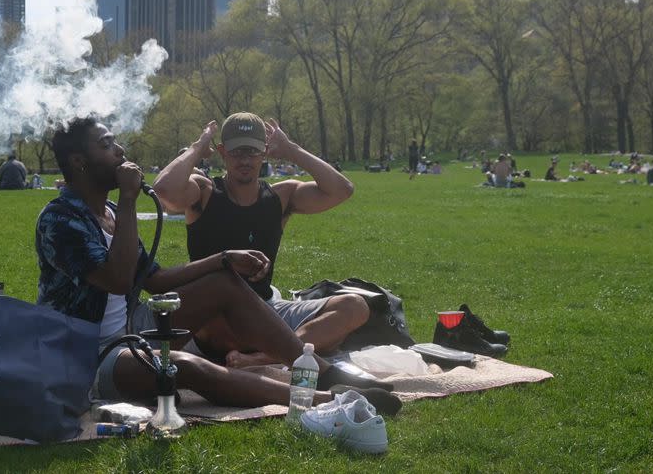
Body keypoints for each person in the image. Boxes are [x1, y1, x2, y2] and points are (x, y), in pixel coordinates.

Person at [36, 116, 400, 415]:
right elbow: (116, 280)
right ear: (79, 163)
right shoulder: (61, 219)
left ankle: (321, 372)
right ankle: (328, 400)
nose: (119, 152)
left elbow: (156, 280)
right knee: (184, 367)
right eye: (106, 145)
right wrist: (131, 199)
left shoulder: (112, 214)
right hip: (87, 353)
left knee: (223, 283)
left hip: (134, 328)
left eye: (115, 143)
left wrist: (223, 260)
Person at [153, 113, 368, 368]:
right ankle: (283, 352)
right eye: (237, 152)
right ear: (222, 152)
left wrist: (292, 150)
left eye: (253, 152)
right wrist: (198, 147)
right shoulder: (205, 192)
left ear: (265, 152)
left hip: (265, 309)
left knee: (355, 306)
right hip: (214, 318)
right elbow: (164, 190)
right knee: (221, 319)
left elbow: (342, 190)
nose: (245, 160)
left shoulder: (280, 196)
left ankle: (265, 357)